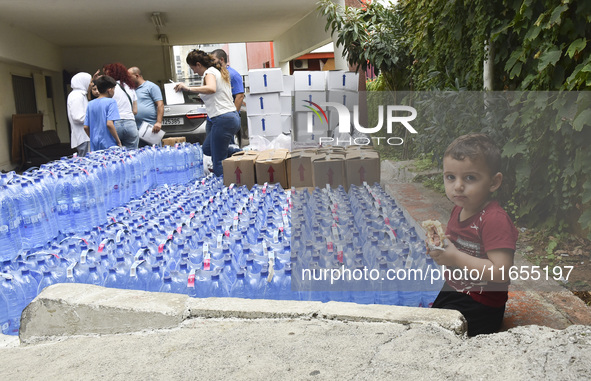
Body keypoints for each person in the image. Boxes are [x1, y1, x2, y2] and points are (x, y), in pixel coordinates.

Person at [427, 133, 519, 337]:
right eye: (451, 177)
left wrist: (456, 257)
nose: (458, 186)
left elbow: (501, 272)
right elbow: (456, 248)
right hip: (454, 288)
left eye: (470, 178)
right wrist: (441, 249)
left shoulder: (494, 219)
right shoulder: (458, 210)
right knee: (426, 325)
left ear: (494, 182)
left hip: (482, 303)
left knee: (438, 336)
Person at [174, 49, 241, 177]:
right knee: (207, 149)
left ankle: (223, 189)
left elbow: (211, 88)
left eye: (193, 68)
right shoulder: (217, 72)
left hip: (223, 118)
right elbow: (216, 92)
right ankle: (239, 153)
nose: (194, 72)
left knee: (218, 161)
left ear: (199, 64)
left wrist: (188, 88)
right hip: (229, 117)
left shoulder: (209, 72)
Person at [101, 63, 139, 149]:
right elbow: (135, 111)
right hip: (130, 124)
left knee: (115, 156)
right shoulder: (130, 87)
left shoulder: (109, 89)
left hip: (114, 124)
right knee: (132, 156)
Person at [83, 75, 122, 151]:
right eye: (114, 89)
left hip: (94, 143)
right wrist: (118, 141)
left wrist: (92, 137)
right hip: (109, 143)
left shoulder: (90, 104)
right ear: (109, 90)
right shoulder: (111, 102)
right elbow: (109, 124)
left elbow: (86, 127)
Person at [127, 66, 164, 134]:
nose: (127, 79)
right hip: (134, 127)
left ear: (137, 75)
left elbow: (160, 104)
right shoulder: (130, 89)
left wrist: (158, 122)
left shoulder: (151, 87)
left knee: (153, 145)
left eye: (129, 77)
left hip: (150, 127)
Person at [66, 72, 92, 157]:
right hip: (83, 136)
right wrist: (95, 119)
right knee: (86, 162)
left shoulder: (80, 95)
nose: (91, 84)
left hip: (85, 135)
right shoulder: (77, 96)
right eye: (90, 82)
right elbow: (78, 117)